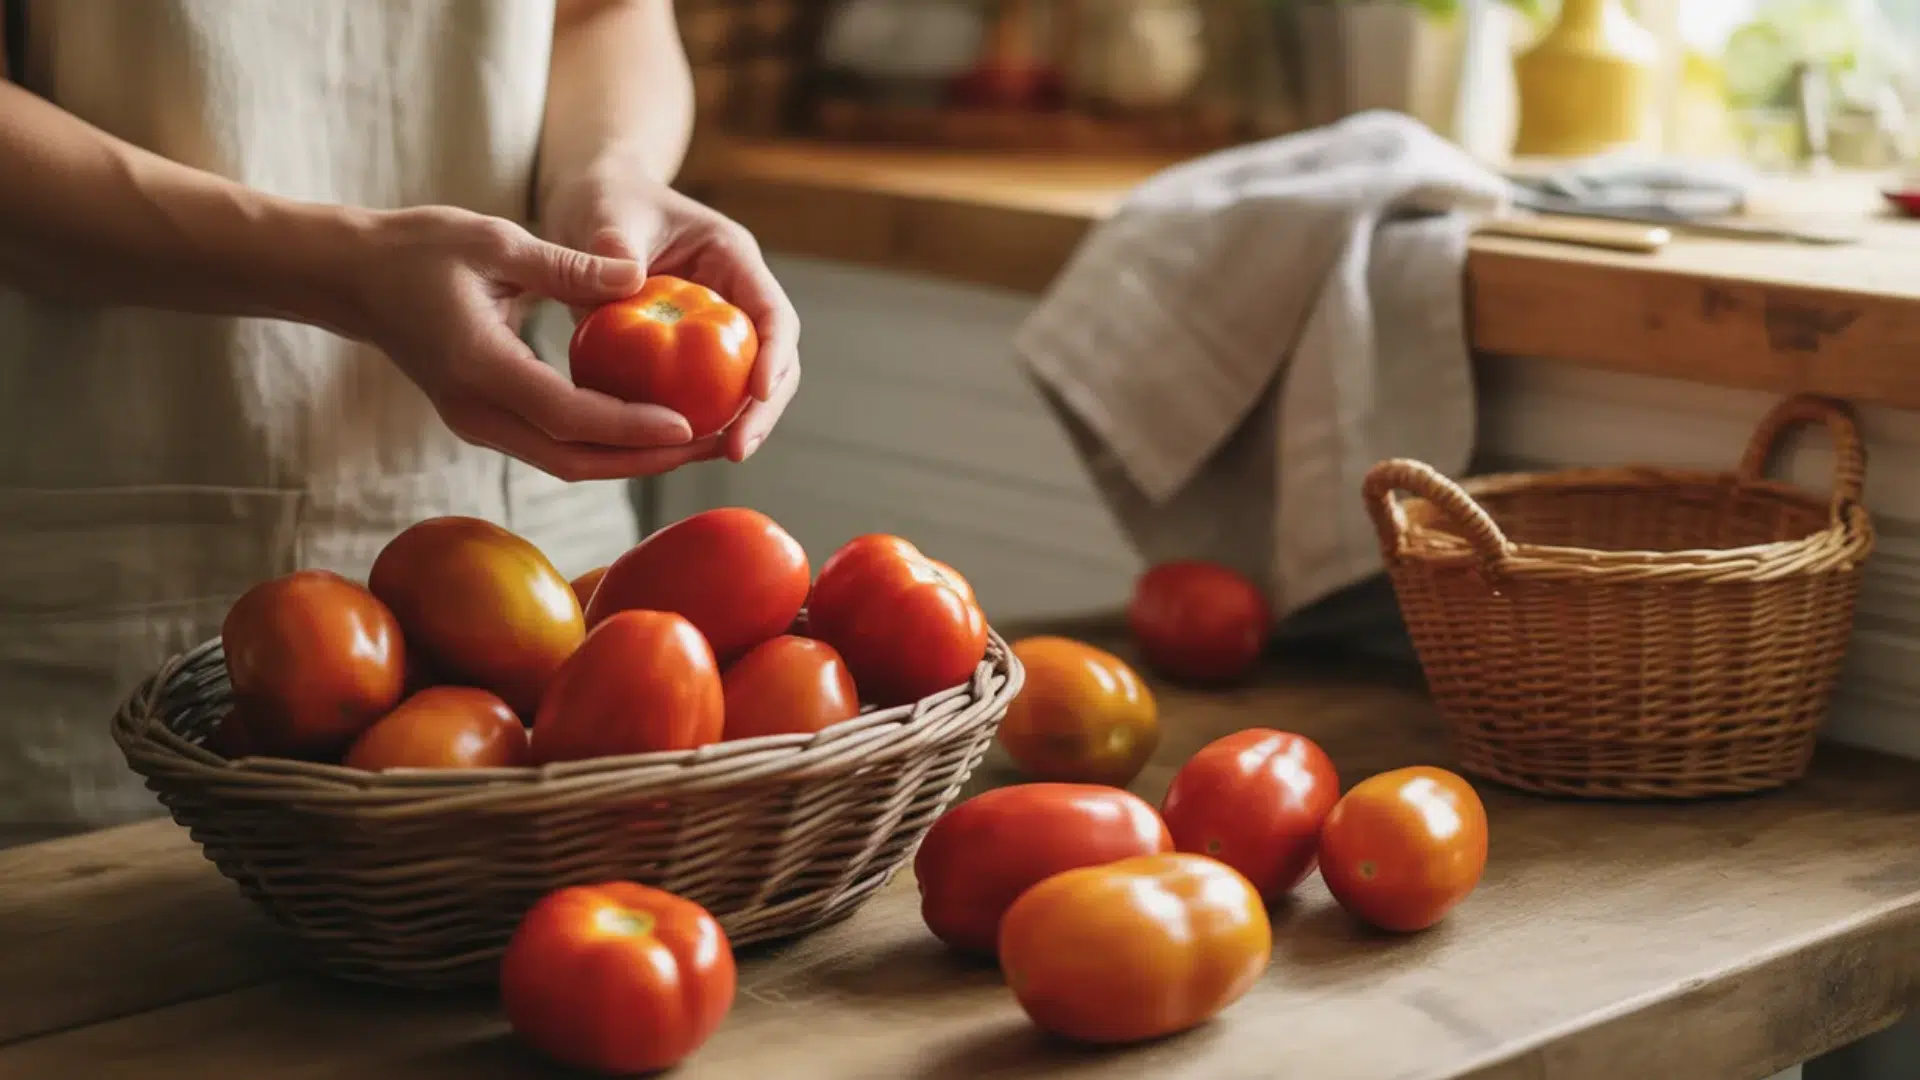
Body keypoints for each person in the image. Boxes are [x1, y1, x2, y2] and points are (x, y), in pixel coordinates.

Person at [0, 0, 801, 845]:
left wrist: (608, 179)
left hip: (536, 554)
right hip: (111, 578)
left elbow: (601, 16)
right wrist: (346, 273)